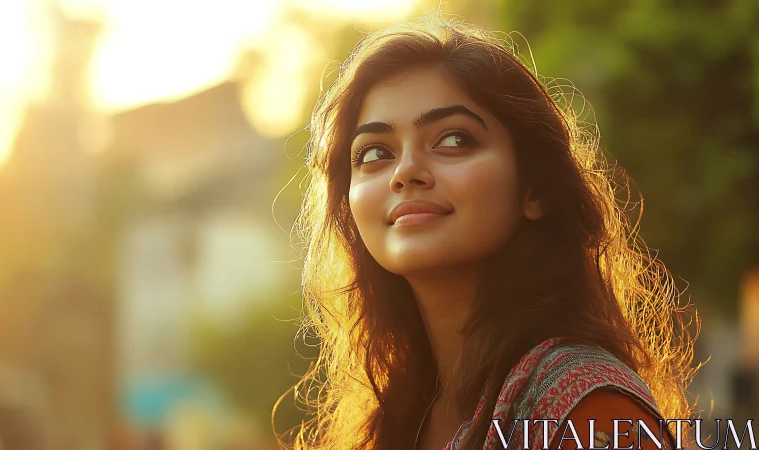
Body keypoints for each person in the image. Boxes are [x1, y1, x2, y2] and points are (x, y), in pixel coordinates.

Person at [279, 16, 698, 450]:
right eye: (375, 152)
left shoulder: (587, 407)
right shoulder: (397, 416)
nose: (405, 173)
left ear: (533, 188)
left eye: (454, 140)